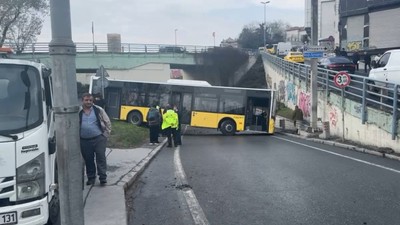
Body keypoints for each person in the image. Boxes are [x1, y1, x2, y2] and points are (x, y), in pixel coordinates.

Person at [79, 93, 112, 186]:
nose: (88, 102)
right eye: (86, 100)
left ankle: (102, 178)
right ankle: (91, 178)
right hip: (84, 140)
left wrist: (105, 135)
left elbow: (107, 122)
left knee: (100, 158)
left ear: (93, 101)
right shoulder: (78, 111)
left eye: (90, 100)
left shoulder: (98, 110)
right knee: (88, 160)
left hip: (99, 139)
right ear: (82, 101)